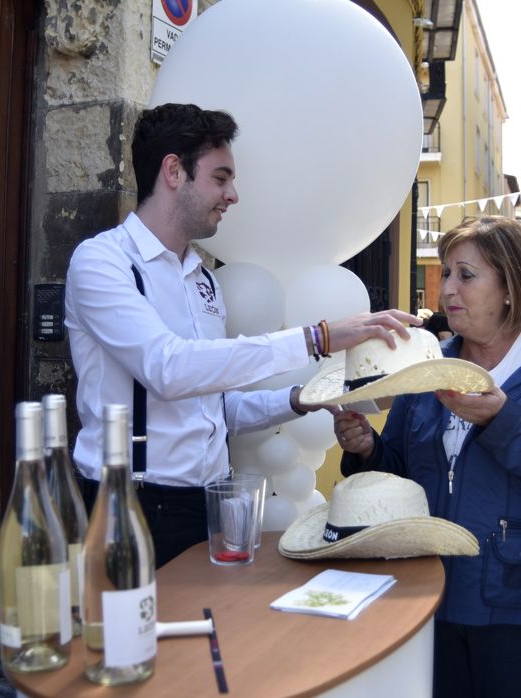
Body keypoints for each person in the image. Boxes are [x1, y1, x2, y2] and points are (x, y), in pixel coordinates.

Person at [63, 103, 417, 568]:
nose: (233, 195)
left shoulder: (205, 280)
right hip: (129, 506)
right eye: (221, 177)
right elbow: (168, 369)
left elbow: (215, 408)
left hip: (206, 505)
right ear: (174, 171)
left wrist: (303, 397)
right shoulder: (102, 262)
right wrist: (319, 337)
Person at [334, 216, 521, 697]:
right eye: (446, 273)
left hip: (516, 606)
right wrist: (367, 449)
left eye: (466, 274)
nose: (447, 290)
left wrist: (502, 422)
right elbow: (401, 474)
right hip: (425, 596)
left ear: (509, 285)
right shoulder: (427, 364)